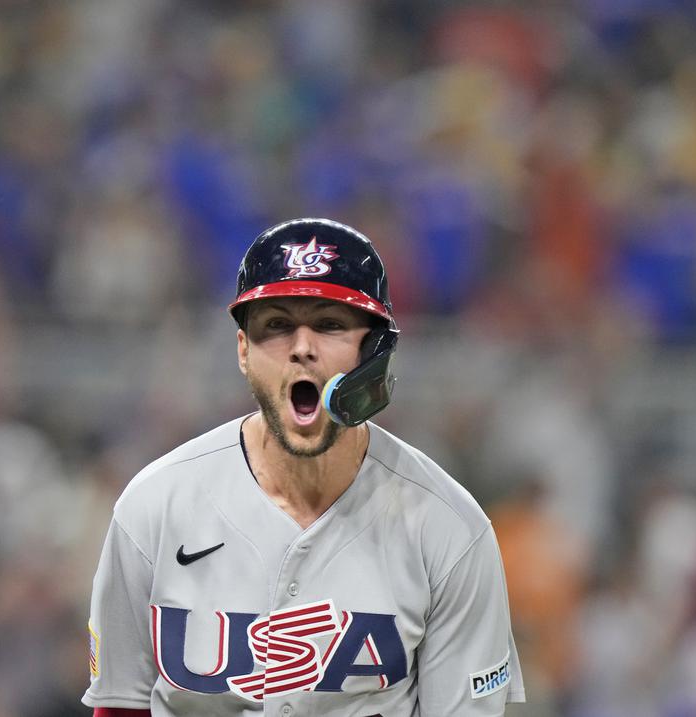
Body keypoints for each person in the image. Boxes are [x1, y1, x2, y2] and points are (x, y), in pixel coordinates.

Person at [82, 218, 526, 716]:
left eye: (331, 325)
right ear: (243, 351)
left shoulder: (449, 530)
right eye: (276, 325)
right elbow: (119, 708)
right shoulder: (155, 507)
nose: (302, 347)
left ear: (373, 353)